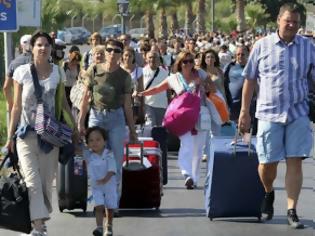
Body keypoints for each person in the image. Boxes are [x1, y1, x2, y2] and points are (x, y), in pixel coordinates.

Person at [238, 3, 315, 229]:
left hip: (298, 113)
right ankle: (268, 192)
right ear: (279, 20)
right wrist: (244, 111)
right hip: (268, 114)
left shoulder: (308, 47)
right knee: (267, 163)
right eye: (288, 20)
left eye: (296, 22)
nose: (292, 25)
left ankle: (292, 209)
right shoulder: (262, 46)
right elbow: (250, 80)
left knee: (295, 161)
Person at [4, 31, 78, 236]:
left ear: (51, 48)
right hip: (26, 134)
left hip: (50, 137)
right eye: (39, 45)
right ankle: (37, 227)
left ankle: (37, 220)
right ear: (32, 48)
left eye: (46, 45)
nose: (43, 48)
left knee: (46, 184)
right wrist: (9, 137)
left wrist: (74, 130)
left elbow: (62, 103)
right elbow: (16, 107)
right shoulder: (22, 72)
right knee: (32, 182)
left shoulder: (58, 73)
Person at [78, 39, 138, 208]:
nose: (112, 53)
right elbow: (85, 98)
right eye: (109, 50)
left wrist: (132, 130)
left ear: (121, 54)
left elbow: (127, 105)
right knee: (94, 158)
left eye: (116, 51)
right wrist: (81, 122)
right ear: (105, 51)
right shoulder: (94, 70)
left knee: (116, 160)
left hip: (116, 118)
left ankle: (113, 202)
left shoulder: (125, 77)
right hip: (96, 116)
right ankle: (98, 198)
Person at [138, 51, 209, 189]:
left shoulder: (199, 73)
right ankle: (186, 174)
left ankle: (194, 178)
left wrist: (203, 84)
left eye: (190, 61)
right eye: (185, 61)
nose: (188, 64)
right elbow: (157, 89)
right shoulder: (174, 78)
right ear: (180, 63)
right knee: (187, 144)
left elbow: (212, 86)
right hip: (183, 117)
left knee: (198, 150)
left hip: (199, 116)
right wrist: (141, 93)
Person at [83, 126, 117, 236]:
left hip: (109, 186)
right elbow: (78, 151)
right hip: (96, 187)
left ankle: (109, 226)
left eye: (98, 139)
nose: (95, 143)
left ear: (104, 141)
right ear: (87, 143)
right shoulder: (88, 155)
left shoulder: (109, 154)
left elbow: (112, 170)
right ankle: (99, 227)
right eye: (91, 140)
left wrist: (105, 179)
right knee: (98, 206)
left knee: (109, 207)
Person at [3, 34, 32, 117]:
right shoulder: (40, 61)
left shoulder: (14, 63)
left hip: (19, 105)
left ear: (20, 46)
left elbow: (6, 87)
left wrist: (11, 104)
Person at [141, 51, 169, 126]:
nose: (152, 59)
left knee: (161, 129)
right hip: (148, 105)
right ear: (146, 59)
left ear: (158, 59)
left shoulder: (165, 72)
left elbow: (168, 89)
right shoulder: (142, 72)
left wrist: (169, 103)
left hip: (162, 105)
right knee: (151, 127)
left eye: (155, 57)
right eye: (150, 57)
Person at [120, 46, 145, 125]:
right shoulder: (118, 69)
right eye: (126, 55)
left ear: (133, 57)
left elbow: (141, 89)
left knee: (133, 124)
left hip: (134, 103)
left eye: (130, 56)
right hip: (121, 102)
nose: (127, 58)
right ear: (122, 57)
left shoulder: (139, 70)